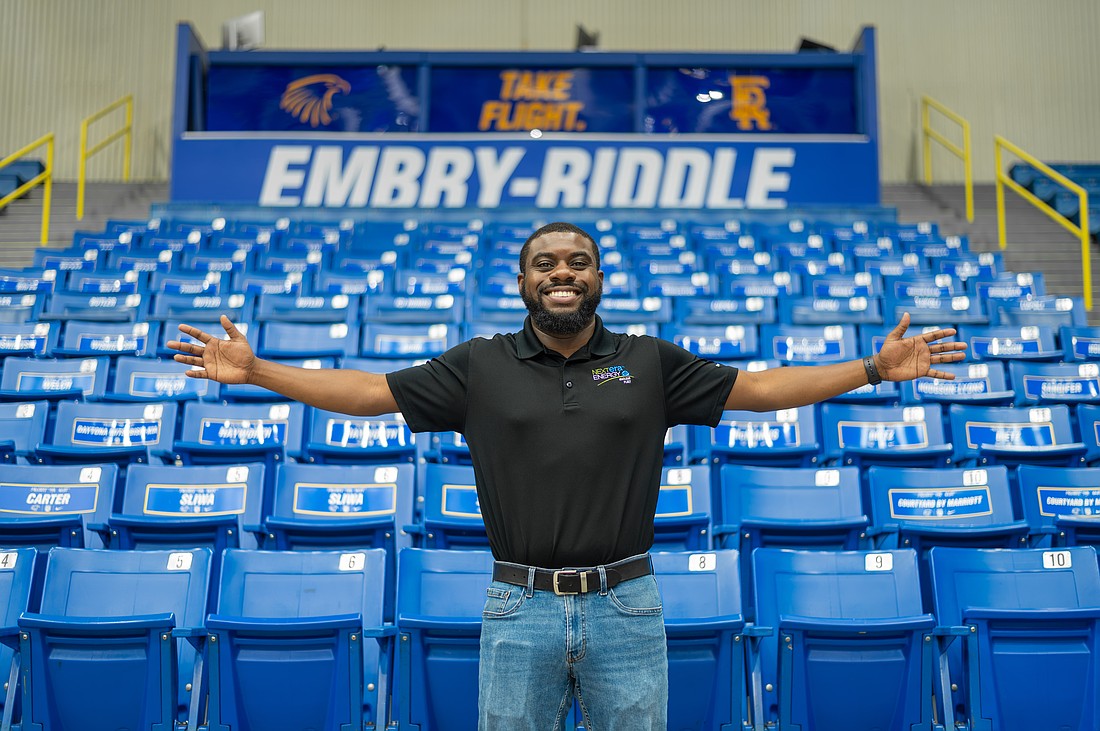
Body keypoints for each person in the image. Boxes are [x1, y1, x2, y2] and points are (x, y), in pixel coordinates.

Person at [167, 221, 967, 730]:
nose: (563, 271)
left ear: (598, 281)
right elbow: (372, 395)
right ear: (521, 283)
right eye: (545, 262)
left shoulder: (647, 360)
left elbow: (758, 391)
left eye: (579, 262)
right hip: (519, 605)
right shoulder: (479, 364)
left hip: (629, 602)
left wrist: (872, 366)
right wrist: (259, 369)